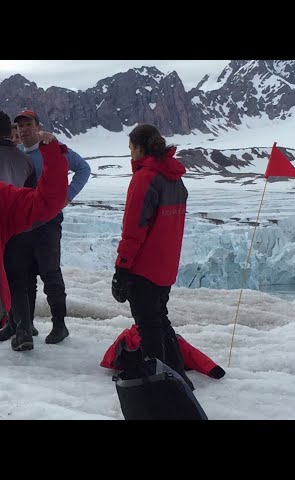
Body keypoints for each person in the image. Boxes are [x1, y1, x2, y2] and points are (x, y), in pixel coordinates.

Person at [111, 124, 194, 389]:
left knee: (148, 327)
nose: (130, 155)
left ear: (140, 147)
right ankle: (178, 376)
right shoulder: (174, 178)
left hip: (144, 268)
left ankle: (159, 384)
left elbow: (133, 230)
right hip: (166, 267)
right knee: (159, 320)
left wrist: (122, 269)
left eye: (131, 149)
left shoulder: (145, 178)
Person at [0, 110, 91, 349]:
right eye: (19, 126)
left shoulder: (49, 147)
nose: (23, 130)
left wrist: (67, 197)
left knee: (50, 273)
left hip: (47, 222)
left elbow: (83, 168)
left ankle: (59, 324)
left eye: (28, 125)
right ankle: (24, 325)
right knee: (22, 273)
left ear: (38, 126)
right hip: (21, 221)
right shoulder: (20, 155)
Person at [0, 113, 38, 337]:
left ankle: (9, 323)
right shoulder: (25, 159)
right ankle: (22, 328)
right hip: (21, 226)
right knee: (17, 277)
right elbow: (32, 196)